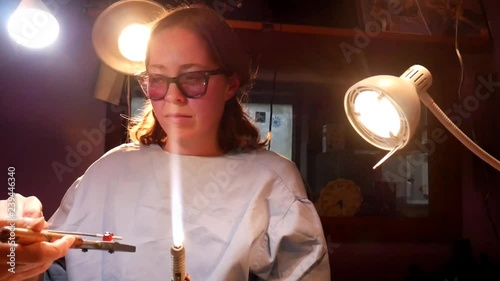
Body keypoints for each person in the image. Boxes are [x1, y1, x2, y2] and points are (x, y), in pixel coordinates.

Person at [0, 4, 330, 281]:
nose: (172, 98)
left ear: (230, 84)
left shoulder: (270, 181)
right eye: (157, 80)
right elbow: (54, 268)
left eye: (192, 78)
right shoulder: (111, 168)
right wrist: (20, 255)